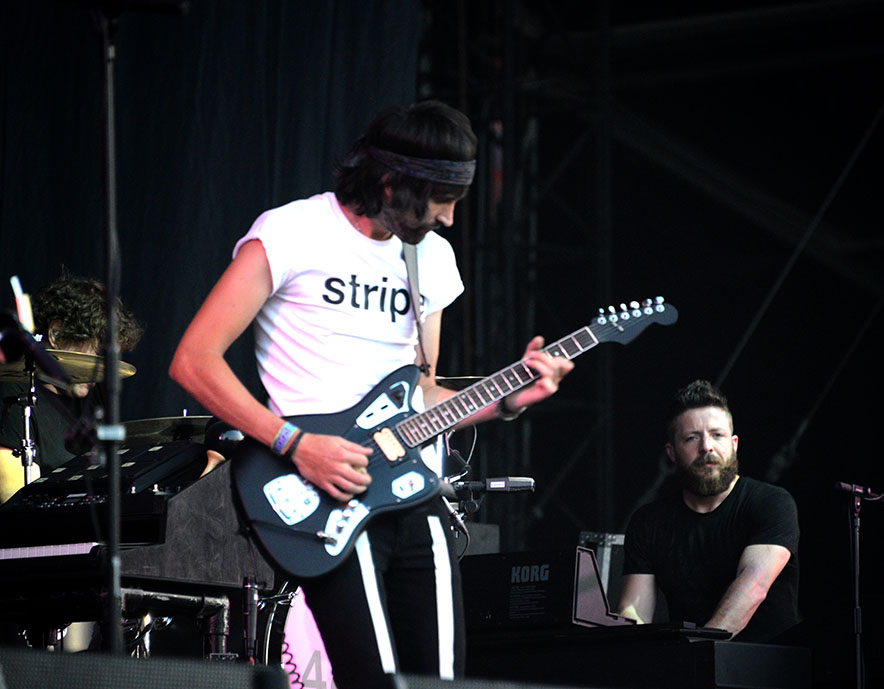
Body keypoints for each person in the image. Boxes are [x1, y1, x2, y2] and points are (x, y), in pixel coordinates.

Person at [169, 100, 574, 688]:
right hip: (322, 490)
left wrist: (508, 399)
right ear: (391, 184)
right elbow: (194, 360)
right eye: (442, 200)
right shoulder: (290, 233)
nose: (450, 219)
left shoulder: (429, 258)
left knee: (441, 682)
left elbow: (423, 394)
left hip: (415, 491)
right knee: (373, 680)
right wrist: (295, 442)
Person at [617, 379, 800, 642]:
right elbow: (633, 613)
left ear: (734, 444)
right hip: (688, 661)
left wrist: (695, 651)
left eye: (717, 435)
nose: (706, 447)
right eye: (692, 438)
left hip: (767, 661)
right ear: (672, 452)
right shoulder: (649, 522)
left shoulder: (771, 503)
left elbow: (754, 588)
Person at [0, 274, 144, 502]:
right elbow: (17, 503)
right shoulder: (14, 395)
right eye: (98, 353)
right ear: (56, 335)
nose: (103, 369)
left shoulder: (94, 397)